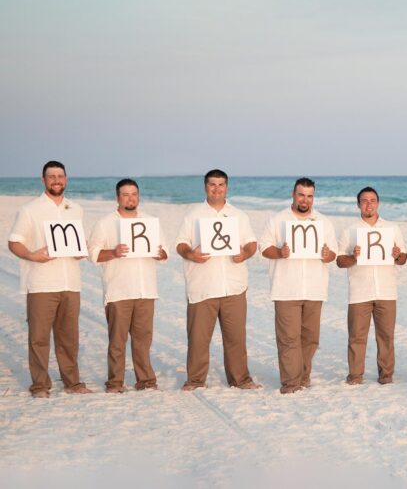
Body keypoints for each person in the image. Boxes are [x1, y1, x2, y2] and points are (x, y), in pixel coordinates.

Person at [8, 160, 92, 397]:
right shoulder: (30, 210)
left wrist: (80, 251)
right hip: (41, 283)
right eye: (52, 176)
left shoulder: (76, 209)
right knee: (39, 338)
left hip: (70, 283)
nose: (57, 180)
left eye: (60, 176)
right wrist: (32, 255)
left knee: (69, 338)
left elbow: (77, 243)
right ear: (43, 180)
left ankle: (73, 383)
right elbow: (14, 242)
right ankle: (40, 385)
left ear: (66, 179)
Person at [175, 169, 260, 391]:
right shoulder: (193, 215)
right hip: (203, 285)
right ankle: (195, 380)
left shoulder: (239, 215)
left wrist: (245, 254)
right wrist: (191, 254)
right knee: (198, 339)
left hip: (233, 285)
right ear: (205, 187)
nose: (217, 189)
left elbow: (252, 243)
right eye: (212, 184)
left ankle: (240, 379)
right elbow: (180, 244)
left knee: (236, 338)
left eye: (221, 185)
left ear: (227, 187)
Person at [87, 178, 168, 393]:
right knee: (117, 341)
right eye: (125, 194)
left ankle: (146, 381)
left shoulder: (150, 221)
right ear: (117, 198)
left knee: (143, 340)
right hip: (118, 290)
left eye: (134, 194)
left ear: (138, 196)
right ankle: (115, 383)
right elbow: (93, 254)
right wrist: (113, 252)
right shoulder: (105, 223)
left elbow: (165, 252)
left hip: (145, 289)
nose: (130, 198)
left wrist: (160, 253)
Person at [260, 178, 338, 394]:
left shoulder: (324, 222)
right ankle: (290, 382)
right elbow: (264, 248)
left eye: (310, 195)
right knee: (288, 338)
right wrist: (279, 252)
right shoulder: (277, 220)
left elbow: (333, 253)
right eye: (301, 194)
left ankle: (303, 376)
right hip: (286, 287)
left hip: (315, 288)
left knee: (310, 338)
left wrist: (327, 255)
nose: (305, 199)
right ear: (293, 195)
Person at [337, 186, 407, 385]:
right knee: (357, 337)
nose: (369, 204)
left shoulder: (392, 228)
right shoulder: (350, 231)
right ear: (359, 204)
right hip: (360, 290)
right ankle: (355, 376)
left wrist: (397, 255)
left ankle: (386, 376)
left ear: (378, 203)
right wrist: (353, 256)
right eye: (365, 200)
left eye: (373, 200)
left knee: (386, 336)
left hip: (386, 290)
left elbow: (403, 258)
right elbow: (340, 261)